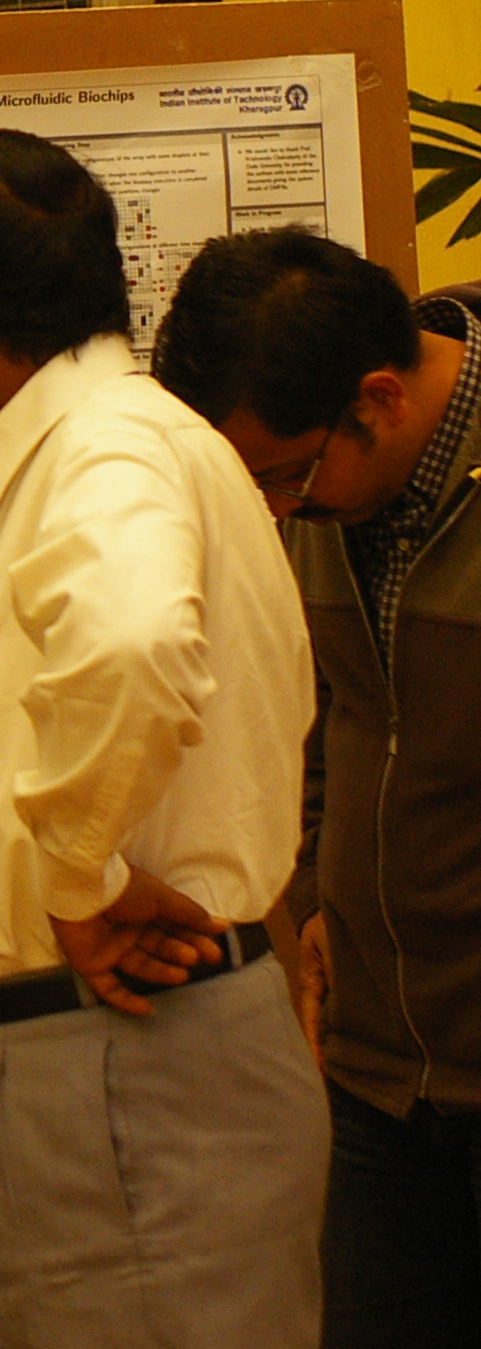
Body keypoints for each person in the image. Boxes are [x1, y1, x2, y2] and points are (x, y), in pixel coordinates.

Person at [0, 129, 325, 1347]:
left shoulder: (106, 451)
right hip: (92, 1076)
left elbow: (129, 642)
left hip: (119, 1070)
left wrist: (77, 874)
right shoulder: (93, 450)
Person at [153, 227, 481, 1347]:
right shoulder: (318, 500)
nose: (274, 509)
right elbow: (320, 717)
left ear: (378, 398)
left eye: (283, 475)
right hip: (376, 1074)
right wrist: (310, 895)